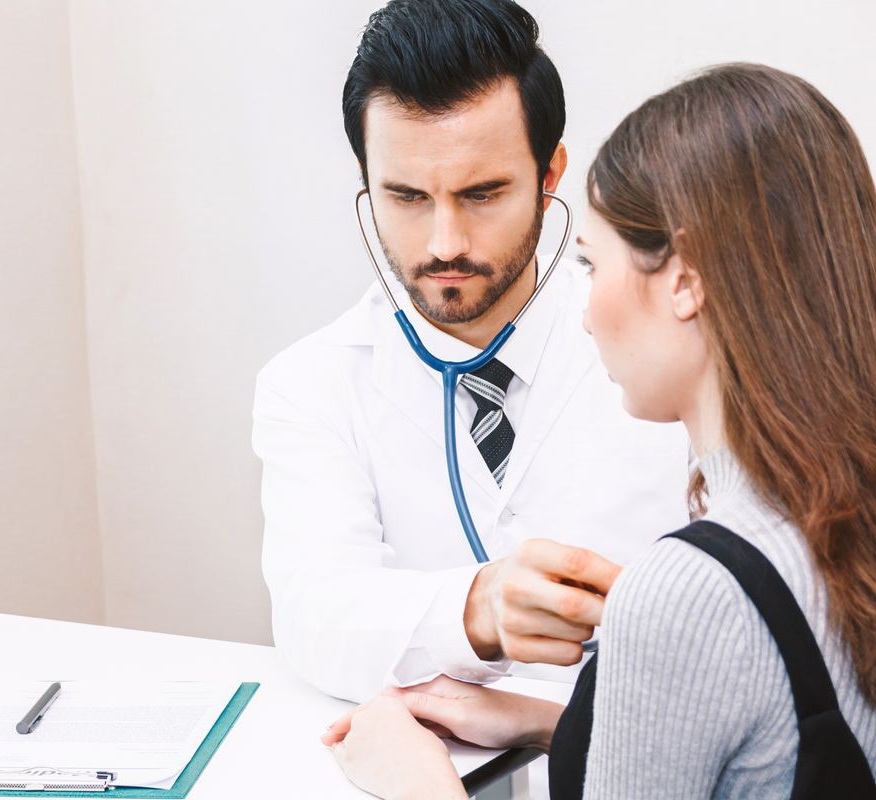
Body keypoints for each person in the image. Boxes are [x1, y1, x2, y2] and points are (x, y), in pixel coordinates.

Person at [323, 62, 876, 798]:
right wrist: (556, 720)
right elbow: (766, 742)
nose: (586, 311)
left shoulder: (686, 587)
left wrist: (415, 781)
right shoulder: (837, 513)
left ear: (685, 280)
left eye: (592, 260)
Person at [252, 0, 689, 703]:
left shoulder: (669, 347)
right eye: (407, 196)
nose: (444, 242)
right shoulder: (311, 384)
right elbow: (316, 613)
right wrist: (477, 609)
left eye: (482, 194)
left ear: (550, 177)